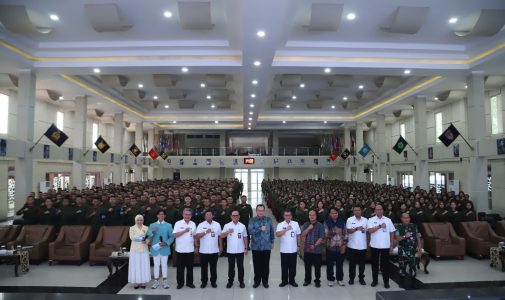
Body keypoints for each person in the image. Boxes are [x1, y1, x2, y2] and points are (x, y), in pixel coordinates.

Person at [367, 204, 395, 289]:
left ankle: (386, 282)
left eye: (381, 209)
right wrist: (379, 226)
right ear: (375, 211)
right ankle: (375, 281)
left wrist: (391, 245)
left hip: (385, 246)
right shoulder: (371, 220)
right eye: (377, 210)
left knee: (385, 265)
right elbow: (370, 231)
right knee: (374, 265)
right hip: (374, 246)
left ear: (383, 210)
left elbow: (392, 233)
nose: (379, 211)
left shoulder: (388, 220)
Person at [248, 204, 274, 288]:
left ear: (264, 211)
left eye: (262, 210)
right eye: (259, 210)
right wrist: (260, 229)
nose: (261, 212)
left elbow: (271, 232)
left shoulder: (268, 220)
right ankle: (257, 281)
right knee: (257, 265)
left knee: (266, 265)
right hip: (256, 247)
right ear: (256, 211)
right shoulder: (252, 220)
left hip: (266, 246)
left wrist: (272, 241)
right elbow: (250, 231)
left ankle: (265, 281)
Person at [147, 209, 175, 289]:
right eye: (159, 214)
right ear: (157, 215)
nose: (161, 216)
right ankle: (156, 282)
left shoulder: (168, 225)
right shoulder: (152, 225)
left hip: (164, 248)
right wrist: (152, 231)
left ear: (165, 216)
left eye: (162, 214)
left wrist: (166, 243)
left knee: (164, 265)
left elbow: (172, 236)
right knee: (156, 265)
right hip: (155, 249)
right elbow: (148, 236)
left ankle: (165, 282)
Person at [221, 210, 248, 288]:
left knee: (240, 267)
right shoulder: (227, 225)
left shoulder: (242, 226)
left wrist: (246, 248)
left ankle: (241, 281)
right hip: (230, 251)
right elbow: (222, 236)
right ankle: (230, 281)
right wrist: (227, 232)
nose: (235, 217)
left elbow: (245, 237)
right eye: (233, 215)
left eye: (236, 215)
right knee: (231, 267)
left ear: (239, 216)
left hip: (240, 250)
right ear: (231, 216)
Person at [195, 210, 222, 288]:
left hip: (214, 250)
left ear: (212, 216)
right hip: (203, 251)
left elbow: (220, 236)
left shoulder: (217, 224)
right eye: (207, 215)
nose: (208, 216)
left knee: (213, 268)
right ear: (205, 216)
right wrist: (205, 232)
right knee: (204, 268)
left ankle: (213, 282)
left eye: (210, 215)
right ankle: (204, 282)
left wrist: (220, 246)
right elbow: (197, 237)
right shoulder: (200, 225)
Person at [395, 212, 423, 289]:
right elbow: (397, 238)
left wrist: (420, 249)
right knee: (402, 267)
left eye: (408, 218)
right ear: (401, 219)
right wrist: (404, 236)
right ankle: (401, 283)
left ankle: (413, 283)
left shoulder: (414, 226)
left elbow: (418, 238)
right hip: (402, 250)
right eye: (404, 218)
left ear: (409, 218)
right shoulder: (398, 227)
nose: (406, 219)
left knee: (413, 267)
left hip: (412, 250)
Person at [173, 208, 197, 289]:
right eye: (186, 214)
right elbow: (175, 235)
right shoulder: (178, 223)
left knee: (190, 267)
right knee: (180, 268)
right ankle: (180, 283)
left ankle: (189, 283)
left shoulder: (193, 224)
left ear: (191, 216)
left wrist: (196, 246)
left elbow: (194, 236)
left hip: (190, 249)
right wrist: (184, 231)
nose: (187, 216)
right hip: (180, 249)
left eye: (189, 214)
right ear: (183, 215)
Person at [276, 210, 301, 287]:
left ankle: (292, 281)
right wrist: (286, 229)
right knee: (284, 267)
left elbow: (298, 235)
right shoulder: (280, 224)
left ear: (291, 216)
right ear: (284, 216)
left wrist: (299, 245)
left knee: (293, 266)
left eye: (289, 215)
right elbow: (277, 234)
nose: (287, 217)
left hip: (293, 249)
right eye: (286, 215)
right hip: (284, 250)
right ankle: (284, 281)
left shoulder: (295, 224)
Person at [300, 210, 325, 287]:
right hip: (307, 250)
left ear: (316, 216)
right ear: (308, 216)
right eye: (310, 215)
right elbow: (302, 235)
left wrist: (314, 245)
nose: (311, 216)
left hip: (317, 250)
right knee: (307, 266)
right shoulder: (306, 224)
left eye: (313, 215)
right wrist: (308, 229)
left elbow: (321, 237)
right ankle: (307, 280)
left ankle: (317, 280)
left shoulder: (320, 225)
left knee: (317, 267)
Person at [324, 207, 347, 287]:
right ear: (330, 214)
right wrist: (334, 232)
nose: (334, 214)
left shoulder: (342, 222)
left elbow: (345, 233)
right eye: (332, 213)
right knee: (330, 264)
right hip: (331, 247)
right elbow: (326, 234)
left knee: (340, 264)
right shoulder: (327, 222)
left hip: (341, 246)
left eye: (336, 213)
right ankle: (330, 279)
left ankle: (339, 279)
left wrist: (344, 244)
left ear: (338, 214)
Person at [346, 205, 368, 285]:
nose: (357, 211)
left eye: (358, 210)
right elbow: (348, 231)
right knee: (352, 264)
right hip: (352, 245)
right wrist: (356, 229)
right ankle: (351, 278)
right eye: (355, 210)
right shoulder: (350, 219)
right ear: (353, 211)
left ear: (361, 211)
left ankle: (361, 278)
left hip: (363, 246)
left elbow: (367, 232)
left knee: (362, 264)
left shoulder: (365, 220)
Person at [128, 215, 150, 289]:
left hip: (144, 248)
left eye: (141, 220)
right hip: (135, 249)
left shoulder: (146, 228)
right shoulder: (132, 228)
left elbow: (149, 238)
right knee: (136, 265)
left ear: (143, 220)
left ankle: (143, 282)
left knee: (143, 265)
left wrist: (146, 241)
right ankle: (136, 282)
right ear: (135, 220)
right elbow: (132, 237)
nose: (139, 221)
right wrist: (142, 236)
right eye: (138, 220)